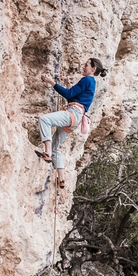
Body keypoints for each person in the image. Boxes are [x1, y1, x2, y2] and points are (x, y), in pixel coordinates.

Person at [35, 58, 107, 188]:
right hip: (76, 119)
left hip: (73, 113)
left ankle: (47, 153)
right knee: (56, 146)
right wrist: (68, 84)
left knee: (44, 120)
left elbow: (69, 95)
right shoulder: (91, 82)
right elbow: (73, 95)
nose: (83, 66)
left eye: (86, 65)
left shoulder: (87, 80)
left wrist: (52, 82)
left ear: (93, 69)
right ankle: (61, 179)